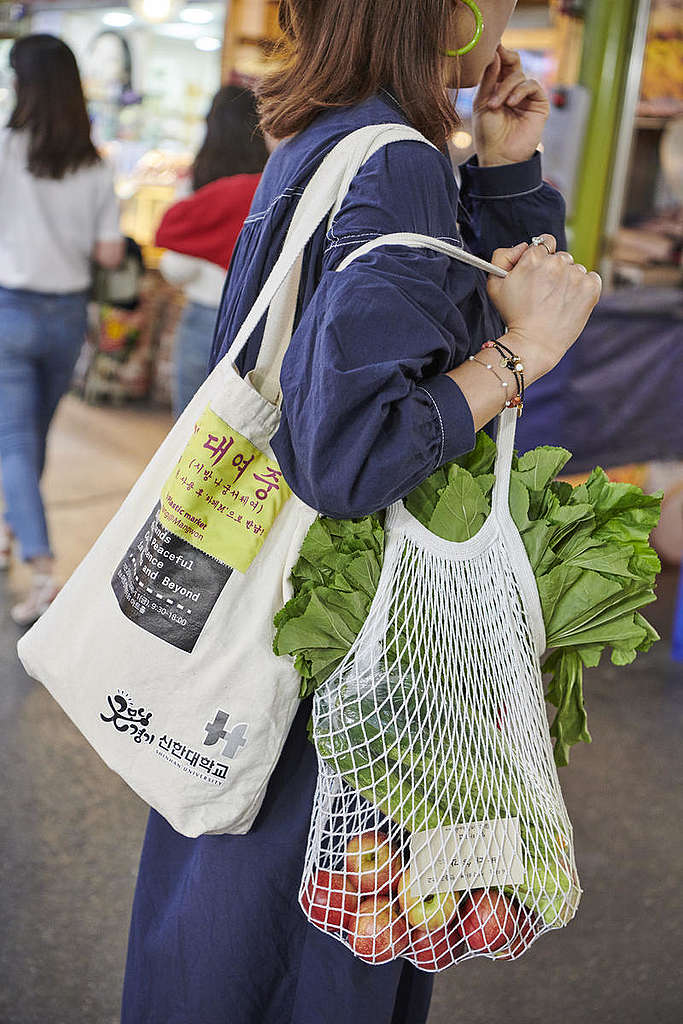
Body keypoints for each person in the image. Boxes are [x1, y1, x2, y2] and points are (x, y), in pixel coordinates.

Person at [122, 3, 601, 1023]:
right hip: (339, 667)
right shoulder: (397, 162)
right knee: (303, 959)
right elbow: (346, 454)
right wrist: (522, 357)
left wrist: (503, 173)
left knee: (218, 932)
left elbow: (415, 320)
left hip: (270, 626)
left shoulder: (336, 133)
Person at [0, 34, 123, 625]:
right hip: (66, 316)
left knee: (14, 442)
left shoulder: (4, 150)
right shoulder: (96, 165)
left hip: (9, 309)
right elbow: (108, 254)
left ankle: (43, 565)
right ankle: (10, 533)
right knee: (32, 436)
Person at [156, 86, 268, 417]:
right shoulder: (275, 181)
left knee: (187, 436)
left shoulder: (200, 182)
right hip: (259, 326)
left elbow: (177, 268)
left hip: (205, 317)